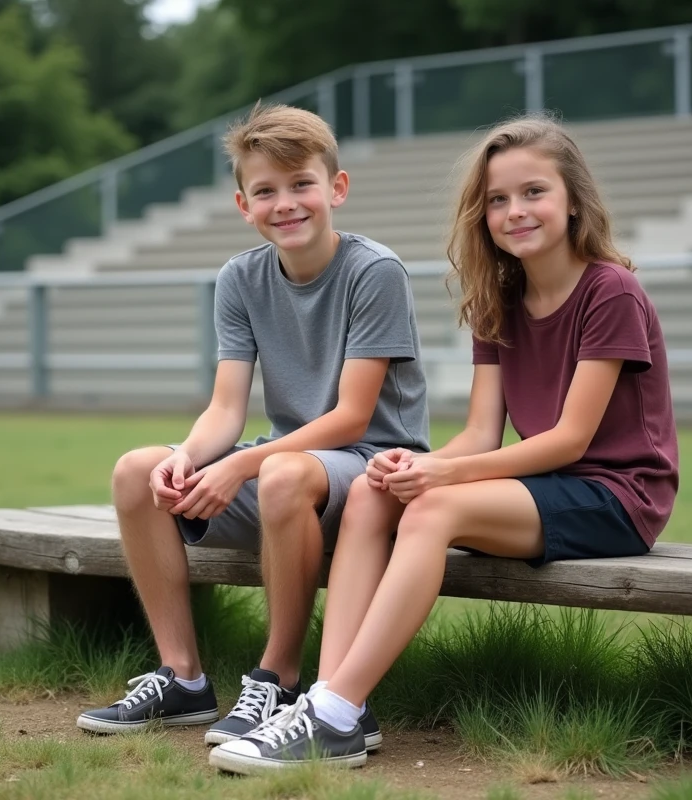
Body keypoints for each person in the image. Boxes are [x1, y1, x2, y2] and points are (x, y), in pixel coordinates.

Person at [209, 114, 679, 775]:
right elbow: (483, 432)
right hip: (546, 488)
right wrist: (420, 463)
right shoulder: (501, 298)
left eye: (533, 192)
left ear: (575, 199)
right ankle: (336, 703)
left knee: (433, 508)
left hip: (617, 496)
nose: (515, 211)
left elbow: (570, 440)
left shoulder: (610, 291)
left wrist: (441, 481)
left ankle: (334, 709)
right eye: (497, 199)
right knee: (377, 493)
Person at [76, 103, 430, 754]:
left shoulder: (374, 271)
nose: (286, 203)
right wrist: (186, 456)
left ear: (337, 189)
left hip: (375, 469)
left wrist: (239, 464)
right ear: (244, 204)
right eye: (266, 190)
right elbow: (226, 409)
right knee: (138, 472)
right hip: (287, 470)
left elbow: (353, 417)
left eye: (302, 185)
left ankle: (281, 679)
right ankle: (182, 676)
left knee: (277, 469)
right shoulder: (240, 278)